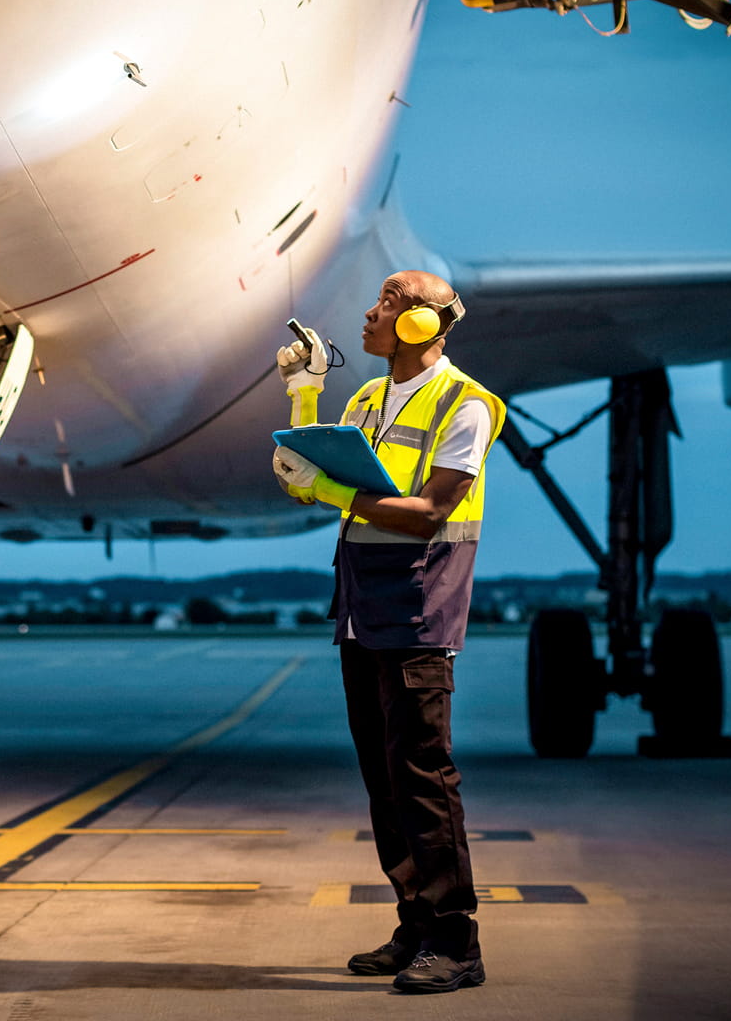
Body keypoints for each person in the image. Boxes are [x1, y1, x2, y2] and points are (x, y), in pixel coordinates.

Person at [272, 269, 505, 994]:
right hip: (362, 611)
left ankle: (456, 940)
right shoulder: (369, 396)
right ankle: (415, 924)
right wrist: (304, 394)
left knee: (423, 777)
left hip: (417, 611)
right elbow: (306, 473)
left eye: (386, 303)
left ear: (417, 326)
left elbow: (427, 512)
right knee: (384, 780)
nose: (370, 314)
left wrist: (334, 490)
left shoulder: (467, 404)